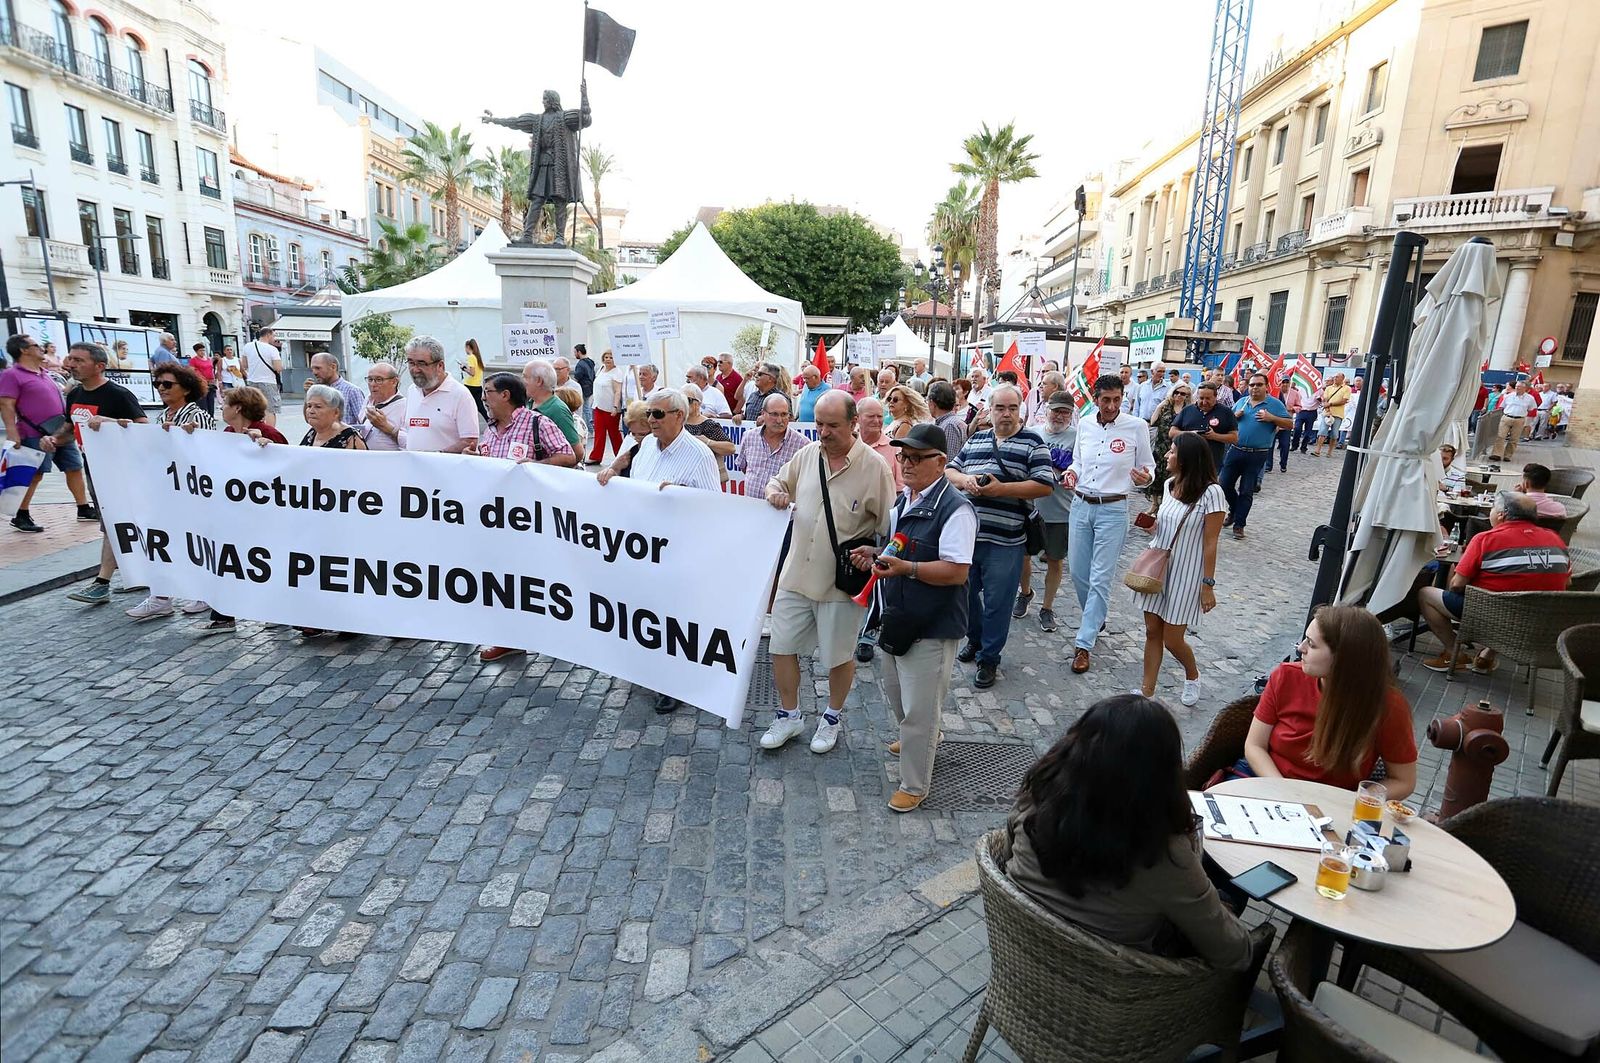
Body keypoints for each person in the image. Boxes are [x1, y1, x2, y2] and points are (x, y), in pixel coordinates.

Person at [1004, 694, 1253, 969]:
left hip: (1020, 955)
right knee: (1229, 896)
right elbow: (1235, 954)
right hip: (1116, 991)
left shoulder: (1035, 798)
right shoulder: (1165, 855)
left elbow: (1006, 856)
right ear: (1162, 776)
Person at [844, 422, 974, 811]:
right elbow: (898, 547)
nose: (907, 464)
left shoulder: (955, 508)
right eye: (904, 457)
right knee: (900, 694)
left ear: (940, 462)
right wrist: (877, 553)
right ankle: (923, 736)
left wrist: (906, 569)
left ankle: (914, 784)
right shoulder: (906, 499)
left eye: (916, 458)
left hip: (932, 621)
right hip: (900, 614)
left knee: (918, 708)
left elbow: (958, 571)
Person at [760, 391, 896, 749]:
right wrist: (774, 491)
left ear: (853, 424)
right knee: (780, 646)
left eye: (832, 425)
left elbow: (890, 528)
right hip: (795, 574)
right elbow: (778, 481)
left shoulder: (874, 468)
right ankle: (789, 715)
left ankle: (831, 718)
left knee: (839, 655)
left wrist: (877, 552)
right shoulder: (806, 454)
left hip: (841, 582)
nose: (823, 431)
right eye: (819, 423)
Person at [598, 389, 722, 712]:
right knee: (648, 612)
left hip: (679, 552)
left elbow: (714, 508)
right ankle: (651, 670)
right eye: (649, 414)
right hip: (643, 548)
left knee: (675, 618)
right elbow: (634, 487)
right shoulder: (645, 449)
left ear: (679, 416)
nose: (650, 420)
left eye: (657, 414)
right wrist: (612, 475)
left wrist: (682, 497)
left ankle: (674, 682)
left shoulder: (699, 455)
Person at [1244, 606, 1418, 800]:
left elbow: (1404, 781)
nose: (1301, 648)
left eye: (1311, 644)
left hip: (1332, 806)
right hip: (1267, 783)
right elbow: (1254, 745)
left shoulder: (1388, 706)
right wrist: (1284, 792)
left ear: (1344, 657)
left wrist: (1352, 801)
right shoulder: (1285, 676)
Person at [945, 384, 1055, 688]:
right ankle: (976, 638)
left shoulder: (1033, 441)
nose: (1006, 414)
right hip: (969, 537)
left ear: (1020, 410)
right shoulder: (977, 439)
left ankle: (989, 657)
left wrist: (1001, 489)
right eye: (1000, 408)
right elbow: (950, 471)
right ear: (989, 410)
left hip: (1007, 540)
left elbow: (1045, 485)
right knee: (964, 595)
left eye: (1012, 408)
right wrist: (967, 480)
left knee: (997, 602)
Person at [1418, 492, 1570, 674]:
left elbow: (1456, 585)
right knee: (1512, 591)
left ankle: (1454, 652)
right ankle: (1487, 656)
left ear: (1501, 514)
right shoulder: (1556, 540)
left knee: (1426, 594)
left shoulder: (1485, 539)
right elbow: (1566, 581)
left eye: (1492, 508)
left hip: (1491, 616)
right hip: (1538, 620)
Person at [1063, 374, 1155, 675]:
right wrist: (1072, 473)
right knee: (1077, 572)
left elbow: (1149, 467)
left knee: (1101, 577)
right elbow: (1078, 460)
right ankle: (1096, 614)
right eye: (1106, 400)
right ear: (1095, 397)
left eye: (1117, 399)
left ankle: (1084, 643)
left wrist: (1146, 478)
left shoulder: (1136, 427)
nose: (1112, 405)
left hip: (1113, 509)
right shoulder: (1085, 425)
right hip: (1080, 505)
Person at [1134, 434, 1225, 706]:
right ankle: (1147, 689)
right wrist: (1152, 527)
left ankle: (1192, 675)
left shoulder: (1212, 493)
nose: (1166, 456)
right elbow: (1167, 526)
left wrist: (1207, 584)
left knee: (1173, 639)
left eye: (1171, 451)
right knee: (1152, 632)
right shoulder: (1168, 484)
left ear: (1186, 458)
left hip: (1187, 573)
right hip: (1159, 567)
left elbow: (1210, 542)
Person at [124, 361, 216, 622]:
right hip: (165, 490)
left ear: (185, 388)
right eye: (158, 384)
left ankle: (204, 591)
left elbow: (206, 452)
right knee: (162, 542)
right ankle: (161, 596)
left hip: (191, 490)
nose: (161, 389)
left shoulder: (197, 416)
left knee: (194, 541)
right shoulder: (161, 416)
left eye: (167, 384)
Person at [61, 341, 149, 606]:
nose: (72, 364)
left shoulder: (118, 395)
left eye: (79, 360)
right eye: (71, 359)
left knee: (113, 523)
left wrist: (111, 423)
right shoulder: (75, 395)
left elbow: (143, 428)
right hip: (94, 469)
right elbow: (69, 427)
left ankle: (102, 582)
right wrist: (53, 440)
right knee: (118, 523)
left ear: (99, 366)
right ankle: (142, 574)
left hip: (120, 470)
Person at [2, 333, 93, 532]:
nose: (40, 347)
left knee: (74, 467)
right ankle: (21, 513)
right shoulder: (12, 375)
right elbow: (6, 404)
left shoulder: (42, 372)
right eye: (35, 345)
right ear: (24, 350)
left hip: (59, 430)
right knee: (35, 473)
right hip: (34, 432)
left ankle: (83, 507)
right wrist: (11, 431)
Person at [1018, 392, 1076, 634]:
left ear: (1072, 415)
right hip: (1031, 508)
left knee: (1055, 559)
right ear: (1046, 409)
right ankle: (1025, 593)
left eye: (1065, 412)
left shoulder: (1078, 437)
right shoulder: (1032, 433)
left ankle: (1047, 607)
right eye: (1056, 410)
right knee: (1024, 556)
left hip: (1061, 510)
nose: (1060, 416)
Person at [1218, 373, 1290, 541]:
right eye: (1252, 385)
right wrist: (1234, 417)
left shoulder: (1274, 404)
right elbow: (1227, 421)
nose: (1255, 388)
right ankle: (1234, 510)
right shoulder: (1242, 401)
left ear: (1266, 387)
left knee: (1246, 490)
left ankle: (1239, 525)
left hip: (1257, 454)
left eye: (1259, 384)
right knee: (1224, 484)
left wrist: (1272, 418)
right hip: (1236, 450)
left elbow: (1289, 423)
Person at [477, 372, 574, 466]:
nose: (483, 398)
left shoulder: (539, 423)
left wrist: (536, 465)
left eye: (487, 392)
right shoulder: (490, 429)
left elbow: (568, 457)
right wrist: (473, 458)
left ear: (505, 395)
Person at [403, 335, 479, 454]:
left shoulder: (460, 395)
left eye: (422, 363)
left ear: (440, 366)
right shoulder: (412, 390)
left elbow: (470, 442)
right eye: (411, 363)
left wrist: (437, 457)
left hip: (444, 470)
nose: (415, 369)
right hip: (412, 469)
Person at [735, 393, 809, 499]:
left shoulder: (802, 444)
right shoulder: (749, 436)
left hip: (783, 512)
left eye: (784, 414)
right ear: (763, 414)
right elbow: (744, 467)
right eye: (774, 414)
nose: (779, 420)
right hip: (751, 508)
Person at [1170, 382, 1238, 473]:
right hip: (1186, 462)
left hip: (1211, 464)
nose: (1204, 402)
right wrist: (1190, 434)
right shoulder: (1187, 410)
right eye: (1201, 398)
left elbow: (1234, 438)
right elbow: (1172, 432)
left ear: (1215, 397)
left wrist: (1214, 436)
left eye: (1208, 399)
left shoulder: (1226, 412)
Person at [1146, 382, 1190, 514]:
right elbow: (1153, 422)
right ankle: (1155, 504)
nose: (1179, 395)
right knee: (1157, 475)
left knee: (1172, 477)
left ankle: (1167, 504)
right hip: (1161, 445)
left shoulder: (1188, 409)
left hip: (1177, 447)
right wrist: (1159, 407)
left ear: (1187, 396)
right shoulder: (1166, 406)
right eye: (1176, 392)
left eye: (1182, 393)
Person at [521, 358, 580, 449]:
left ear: (539, 381)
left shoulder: (558, 410)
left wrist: (540, 462)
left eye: (525, 377)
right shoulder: (529, 403)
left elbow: (577, 452)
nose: (522, 381)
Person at [680, 383, 734, 482]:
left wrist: (708, 442)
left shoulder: (708, 424)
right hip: (682, 475)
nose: (682, 403)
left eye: (687, 400)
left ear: (698, 403)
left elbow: (731, 448)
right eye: (680, 399)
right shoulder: (677, 423)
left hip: (705, 477)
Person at [298, 384, 367, 451]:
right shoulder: (313, 432)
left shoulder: (351, 439)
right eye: (309, 406)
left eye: (318, 407)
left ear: (336, 412)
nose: (311, 411)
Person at [587, 350, 627, 464]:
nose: (608, 359)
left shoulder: (617, 372)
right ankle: (595, 457)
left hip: (610, 408)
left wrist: (615, 407)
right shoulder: (601, 369)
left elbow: (617, 391)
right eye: (606, 357)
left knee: (614, 433)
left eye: (611, 357)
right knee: (599, 432)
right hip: (598, 406)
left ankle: (620, 457)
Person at [240, 327, 284, 425]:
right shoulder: (272, 349)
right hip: (269, 382)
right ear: (268, 335)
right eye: (273, 335)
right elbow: (278, 368)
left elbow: (244, 365)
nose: (274, 338)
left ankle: (253, 428)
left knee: (254, 408)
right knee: (270, 409)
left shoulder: (248, 346)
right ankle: (269, 433)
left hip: (252, 381)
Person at [361, 363, 408, 452]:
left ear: (394, 382)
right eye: (370, 379)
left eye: (379, 380)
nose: (373, 384)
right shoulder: (368, 400)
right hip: (365, 460)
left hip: (390, 462)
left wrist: (386, 427)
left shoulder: (405, 406)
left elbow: (412, 444)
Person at [308, 352, 365, 425]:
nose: (314, 372)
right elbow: (309, 419)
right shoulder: (316, 391)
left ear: (333, 367)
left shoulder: (352, 391)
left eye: (318, 368)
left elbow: (363, 422)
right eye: (312, 369)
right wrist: (308, 394)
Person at [219, 385, 286, 445]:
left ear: (238, 408)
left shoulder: (269, 434)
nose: (221, 408)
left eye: (225, 403)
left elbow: (288, 455)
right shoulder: (228, 432)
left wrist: (270, 447)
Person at [1491, 379, 1536, 462]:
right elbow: (1502, 406)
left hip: (1519, 419)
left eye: (1519, 387)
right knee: (1501, 436)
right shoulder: (1508, 396)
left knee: (1514, 439)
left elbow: (1531, 408)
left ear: (1525, 388)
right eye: (1516, 386)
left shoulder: (1530, 398)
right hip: (1506, 417)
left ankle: (1508, 455)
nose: (1517, 388)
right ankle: (1496, 454)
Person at [1311, 373, 1350, 456]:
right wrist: (1327, 409)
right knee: (1322, 431)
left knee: (1334, 434)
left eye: (1337, 377)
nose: (1335, 378)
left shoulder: (1347, 388)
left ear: (1342, 378)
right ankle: (1317, 450)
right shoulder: (1328, 388)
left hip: (1338, 414)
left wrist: (1330, 404)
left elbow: (1343, 401)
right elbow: (1325, 400)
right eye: (1335, 377)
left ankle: (1329, 452)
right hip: (1327, 413)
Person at [927, 379, 968, 458]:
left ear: (932, 403)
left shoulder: (950, 426)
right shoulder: (948, 423)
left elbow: (949, 460)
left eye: (927, 400)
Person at [1289, 375, 1320, 453]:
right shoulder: (1302, 387)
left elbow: (1322, 400)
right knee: (1297, 428)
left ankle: (1304, 447)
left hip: (1312, 412)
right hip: (1301, 411)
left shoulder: (1318, 389)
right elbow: (1294, 387)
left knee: (1308, 432)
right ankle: (1294, 445)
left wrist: (1320, 398)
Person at [188, 342, 217, 415]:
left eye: (203, 350)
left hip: (210, 382)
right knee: (202, 403)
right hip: (201, 382)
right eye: (200, 350)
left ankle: (211, 417)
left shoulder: (208, 359)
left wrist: (214, 379)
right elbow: (192, 371)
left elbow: (211, 370)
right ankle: (203, 417)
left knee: (211, 402)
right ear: (196, 351)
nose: (202, 352)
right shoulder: (193, 360)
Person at [462, 338, 487, 419]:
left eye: (465, 347)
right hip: (477, 385)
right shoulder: (478, 358)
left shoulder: (471, 357)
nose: (465, 350)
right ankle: (490, 421)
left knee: (464, 406)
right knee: (480, 407)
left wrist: (464, 369)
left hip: (469, 385)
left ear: (468, 347)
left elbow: (472, 373)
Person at [571, 343, 595, 429]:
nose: (574, 354)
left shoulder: (580, 364)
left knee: (585, 409)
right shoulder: (590, 362)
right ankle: (590, 427)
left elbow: (577, 377)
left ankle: (590, 428)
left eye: (575, 352)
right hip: (590, 388)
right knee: (587, 408)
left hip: (583, 388)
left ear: (579, 352)